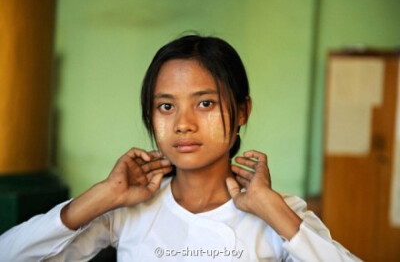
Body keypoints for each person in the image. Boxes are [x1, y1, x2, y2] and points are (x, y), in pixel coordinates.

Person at [0, 35, 360, 261]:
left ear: (242, 111)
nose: (183, 124)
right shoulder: (127, 211)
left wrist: (271, 210)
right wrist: (103, 195)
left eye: (205, 104)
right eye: (166, 106)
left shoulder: (279, 213)